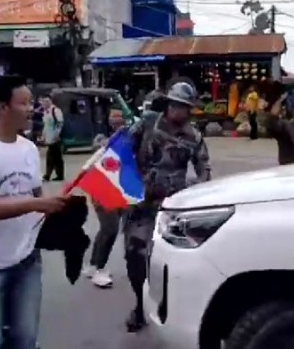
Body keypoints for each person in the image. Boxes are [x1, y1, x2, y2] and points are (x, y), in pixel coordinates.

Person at [0, 75, 69, 349]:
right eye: (24, 103)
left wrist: (55, 207)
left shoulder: (29, 149)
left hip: (27, 260)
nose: (31, 109)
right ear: (2, 107)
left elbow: (37, 195)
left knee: (25, 338)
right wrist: (35, 205)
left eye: (32, 102)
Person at [123, 81, 211, 332]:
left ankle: (167, 308)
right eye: (174, 104)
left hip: (172, 207)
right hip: (140, 203)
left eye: (183, 106)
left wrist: (197, 193)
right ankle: (140, 306)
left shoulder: (193, 137)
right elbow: (123, 150)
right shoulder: (147, 123)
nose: (177, 110)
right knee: (135, 256)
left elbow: (204, 169)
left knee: (168, 261)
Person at [83, 109, 128, 289]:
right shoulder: (104, 139)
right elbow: (95, 158)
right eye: (113, 116)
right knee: (110, 228)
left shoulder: (133, 139)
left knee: (107, 230)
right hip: (102, 189)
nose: (116, 120)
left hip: (120, 190)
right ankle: (99, 270)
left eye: (119, 117)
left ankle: (93, 264)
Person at [39, 95, 65, 182]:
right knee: (57, 158)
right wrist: (43, 136)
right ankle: (59, 175)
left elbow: (60, 123)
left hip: (55, 138)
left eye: (47, 101)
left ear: (51, 101)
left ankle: (48, 175)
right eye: (44, 101)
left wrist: (57, 134)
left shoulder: (56, 111)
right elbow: (46, 125)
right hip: (49, 138)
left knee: (51, 157)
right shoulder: (45, 112)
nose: (45, 103)